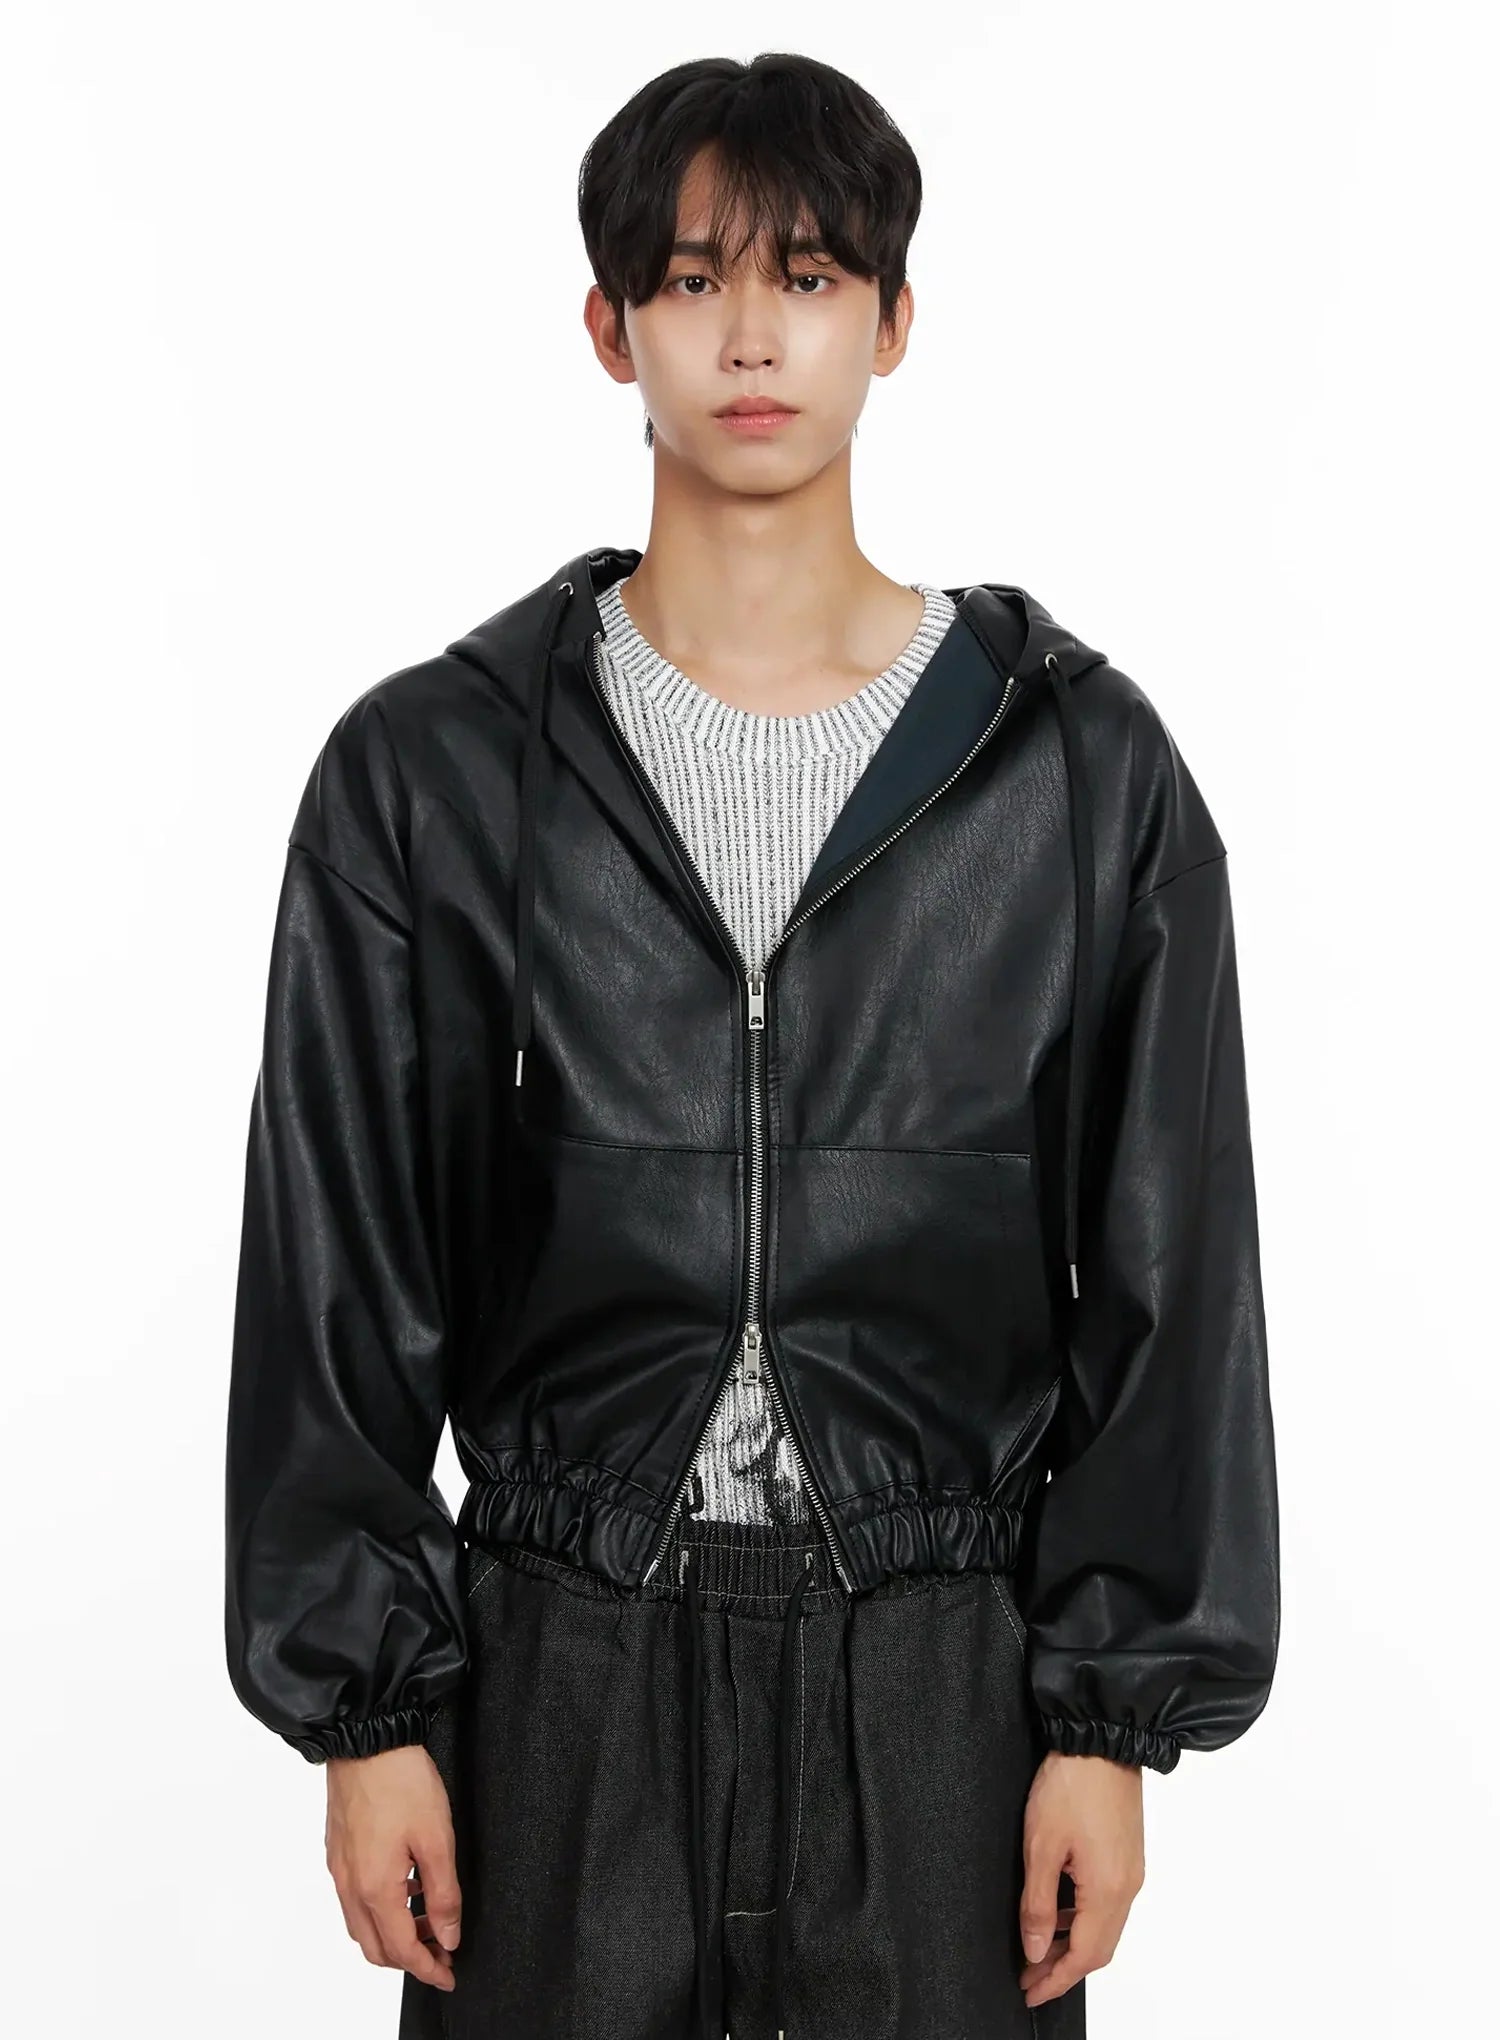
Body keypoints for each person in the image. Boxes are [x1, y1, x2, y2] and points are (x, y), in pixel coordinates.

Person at [224, 50, 1280, 2040]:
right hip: (561, 1681)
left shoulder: (1077, 772)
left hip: (941, 1677)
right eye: (694, 279)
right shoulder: (433, 775)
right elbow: (335, 1263)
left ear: (895, 319)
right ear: (607, 326)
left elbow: (1173, 1261)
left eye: (806, 277)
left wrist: (1108, 1720)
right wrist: (365, 1715)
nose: (750, 337)